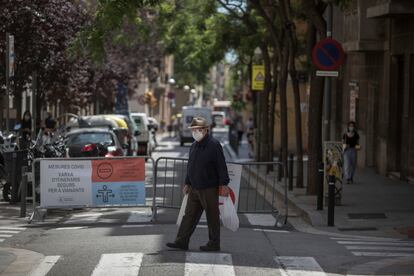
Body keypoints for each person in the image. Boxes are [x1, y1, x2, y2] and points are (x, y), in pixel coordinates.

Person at [166, 117, 230, 252]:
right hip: (195, 187)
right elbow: (191, 165)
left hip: (209, 187)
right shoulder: (194, 145)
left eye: (198, 130)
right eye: (193, 130)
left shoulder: (214, 145)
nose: (195, 132)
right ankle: (181, 241)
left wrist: (224, 184)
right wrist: (187, 182)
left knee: (212, 216)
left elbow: (221, 165)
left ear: (206, 130)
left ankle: (214, 243)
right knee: (189, 215)